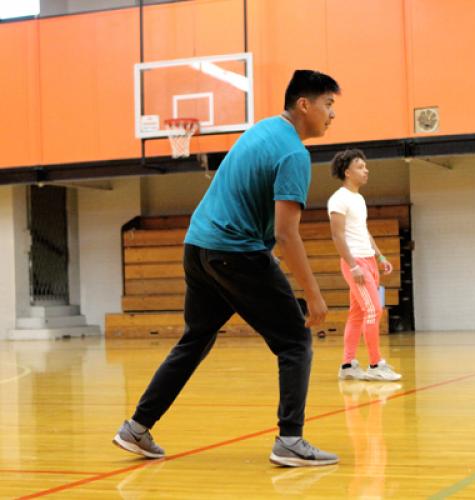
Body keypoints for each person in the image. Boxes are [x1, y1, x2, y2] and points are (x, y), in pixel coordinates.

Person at [113, 70, 341, 466]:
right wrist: (315, 295)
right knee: (294, 342)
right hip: (235, 252)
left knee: (196, 338)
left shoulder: (262, 130)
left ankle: (136, 427)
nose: (332, 114)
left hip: (198, 247)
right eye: (329, 105)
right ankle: (290, 440)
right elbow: (287, 235)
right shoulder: (293, 153)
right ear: (305, 105)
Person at [328, 149, 402, 382]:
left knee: (358, 313)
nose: (366, 170)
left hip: (368, 260)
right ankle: (375, 364)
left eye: (365, 166)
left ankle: (348, 364)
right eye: (360, 167)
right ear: (347, 172)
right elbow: (337, 236)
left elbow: (363, 231)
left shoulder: (358, 199)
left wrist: (380, 257)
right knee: (374, 310)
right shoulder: (338, 199)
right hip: (355, 263)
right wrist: (352, 266)